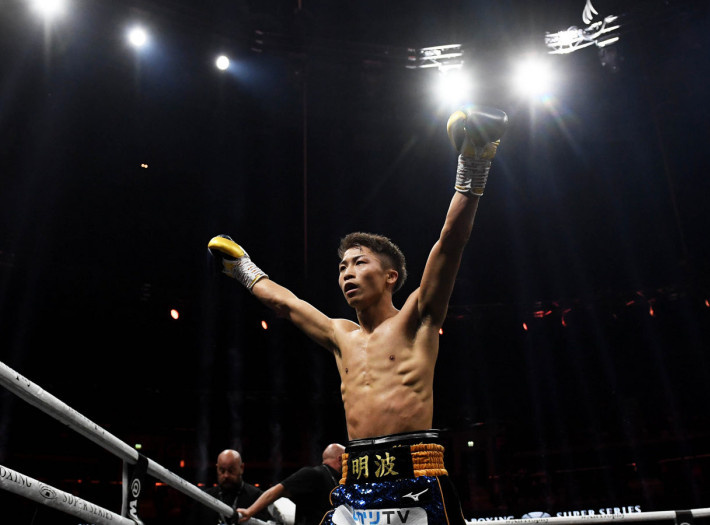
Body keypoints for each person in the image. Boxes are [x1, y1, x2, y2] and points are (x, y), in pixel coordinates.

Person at [208, 106, 508, 525]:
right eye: (342, 267)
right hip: (357, 481)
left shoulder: (417, 318)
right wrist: (241, 267)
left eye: (359, 262)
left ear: (390, 276)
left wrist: (473, 163)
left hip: (414, 477)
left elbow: (451, 241)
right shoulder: (340, 335)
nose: (347, 272)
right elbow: (286, 304)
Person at [237, 443, 345, 525]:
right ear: (340, 459)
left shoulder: (338, 480)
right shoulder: (313, 474)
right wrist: (249, 511)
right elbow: (276, 491)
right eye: (348, 459)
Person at [188, 449, 273, 525]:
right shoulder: (204, 498)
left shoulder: (258, 498)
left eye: (231, 470)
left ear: (241, 468)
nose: (226, 475)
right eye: (222, 470)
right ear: (217, 468)